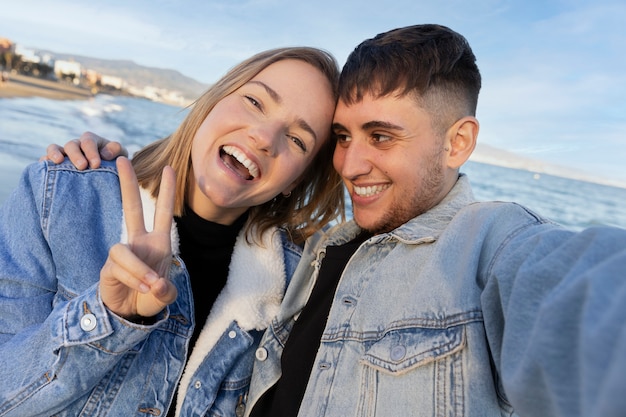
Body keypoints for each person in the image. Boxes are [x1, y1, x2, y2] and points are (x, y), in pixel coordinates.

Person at [44, 24, 626, 417]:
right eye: (342, 138)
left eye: (382, 136)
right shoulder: (303, 255)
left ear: (458, 143)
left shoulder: (491, 246)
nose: (350, 163)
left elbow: (586, 303)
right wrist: (116, 163)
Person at [0, 46, 345, 417]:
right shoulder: (63, 197)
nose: (264, 137)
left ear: (298, 179)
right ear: (213, 100)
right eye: (255, 101)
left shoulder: (298, 286)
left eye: (297, 140)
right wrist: (111, 318)